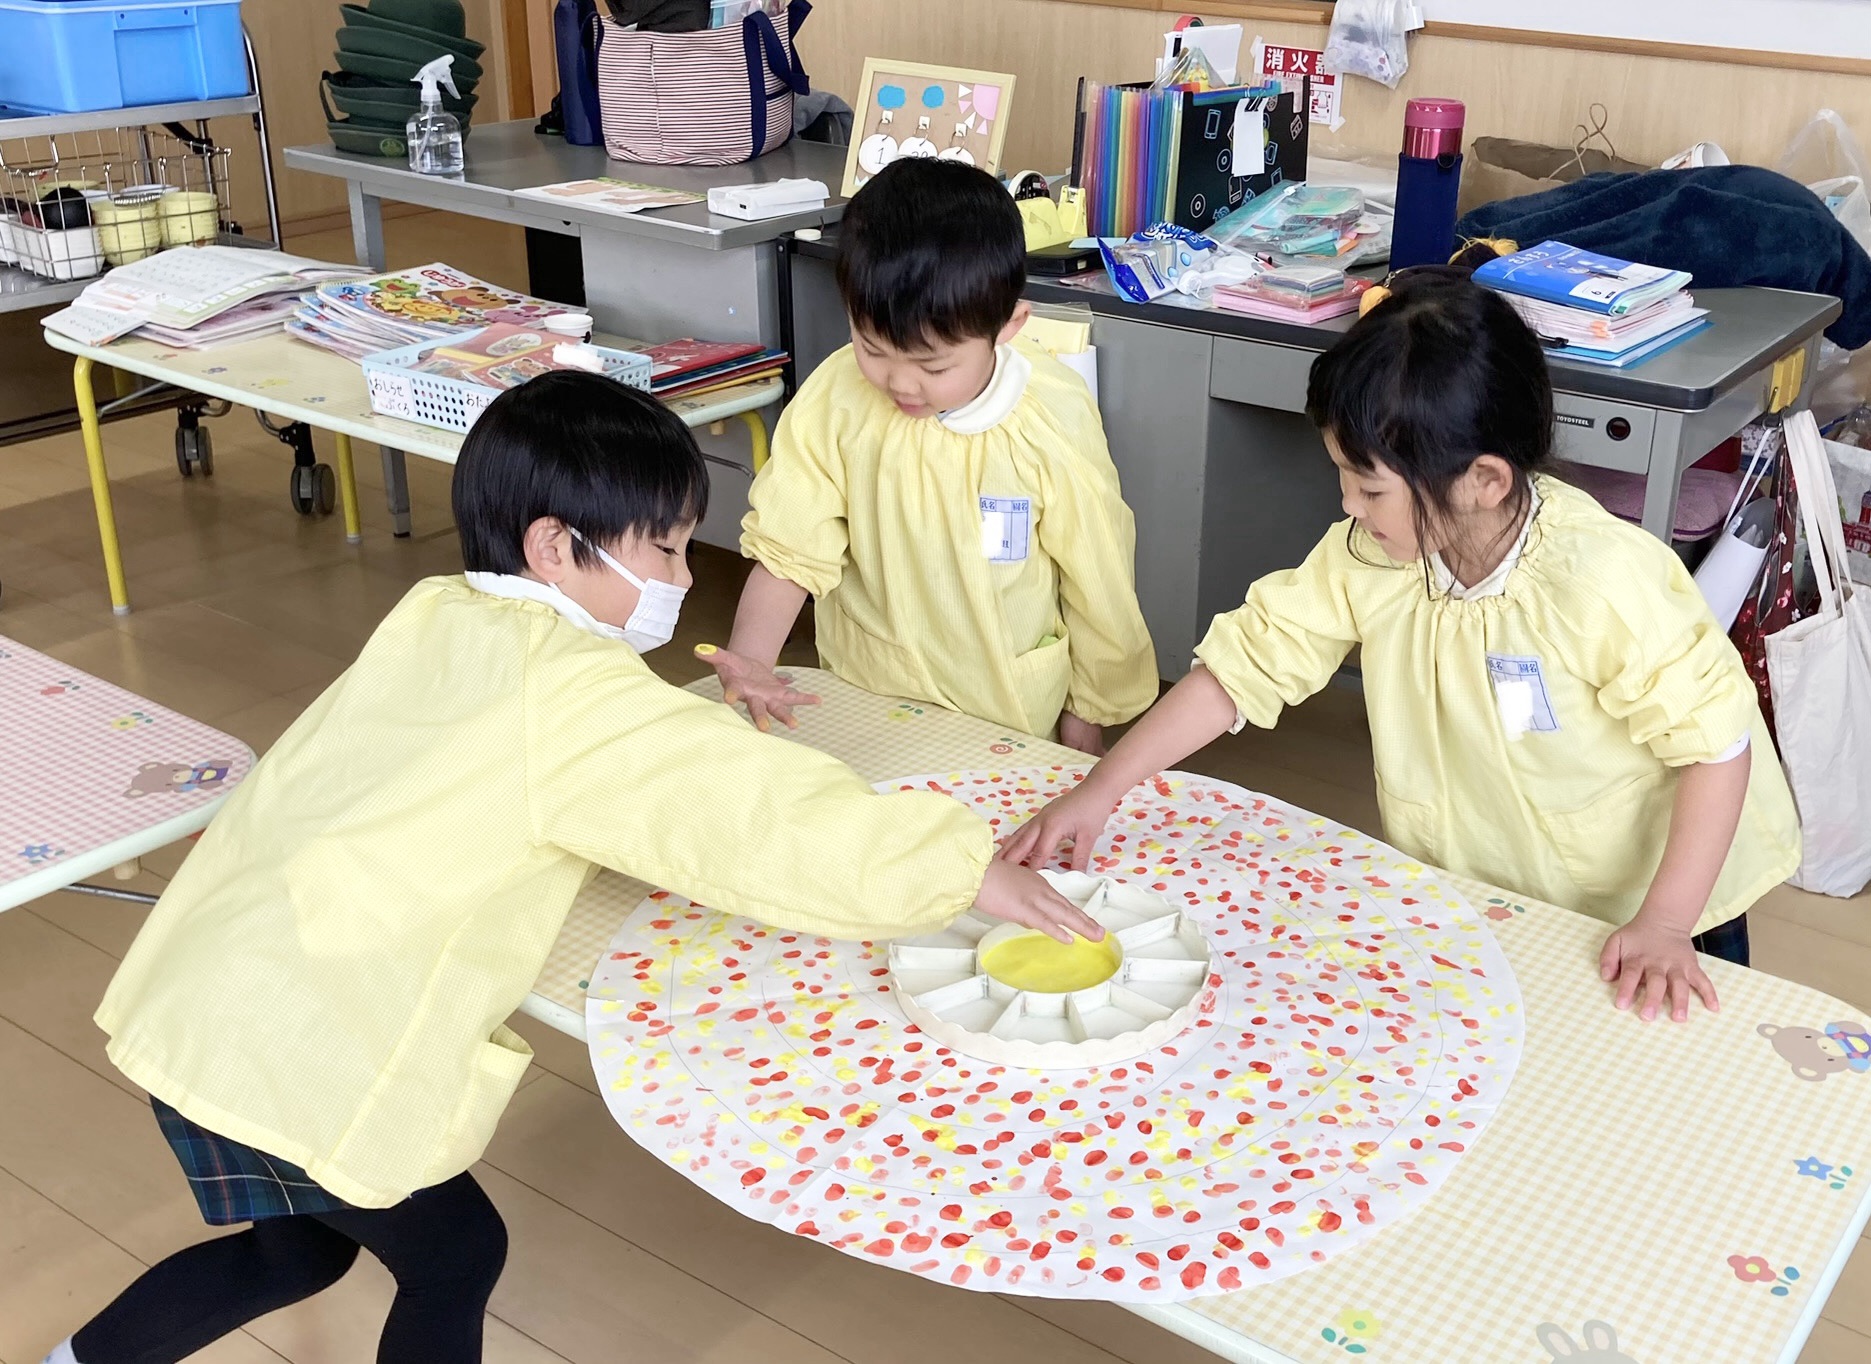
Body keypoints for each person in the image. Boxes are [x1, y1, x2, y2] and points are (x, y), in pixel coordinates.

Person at [50, 372, 1099, 1364]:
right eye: (666, 551)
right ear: (555, 546)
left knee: (299, 1246)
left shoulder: (436, 615)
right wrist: (964, 869)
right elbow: (752, 811)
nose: (684, 581)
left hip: (212, 993)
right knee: (457, 1252)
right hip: (307, 1043)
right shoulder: (569, 693)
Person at [1001, 267, 1800, 1024]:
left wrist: (1666, 922)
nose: (1347, 506)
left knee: (1661, 1060)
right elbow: (1242, 668)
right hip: (1498, 885)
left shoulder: (1601, 582)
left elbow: (1715, 748)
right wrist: (1101, 789)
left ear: (1483, 481)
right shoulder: (1370, 554)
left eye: (1369, 485)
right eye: (1341, 477)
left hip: (1663, 899)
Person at [703, 156, 1158, 754]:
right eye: (872, 348)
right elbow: (789, 546)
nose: (901, 384)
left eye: (934, 365)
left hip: (1009, 712)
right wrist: (754, 660)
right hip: (868, 693)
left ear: (1010, 325)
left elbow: (1095, 573)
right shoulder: (837, 402)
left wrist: (1089, 712)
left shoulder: (1051, 414)